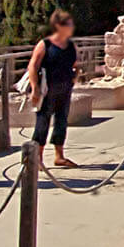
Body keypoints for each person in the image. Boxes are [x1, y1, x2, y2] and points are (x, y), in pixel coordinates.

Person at [24, 10, 79, 168]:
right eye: (68, 24)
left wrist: (75, 77)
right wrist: (35, 88)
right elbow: (33, 66)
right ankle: (37, 158)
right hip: (47, 89)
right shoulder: (45, 44)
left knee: (61, 121)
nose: (71, 27)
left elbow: (76, 64)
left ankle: (59, 156)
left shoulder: (70, 45)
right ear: (58, 26)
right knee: (43, 122)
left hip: (65, 88)